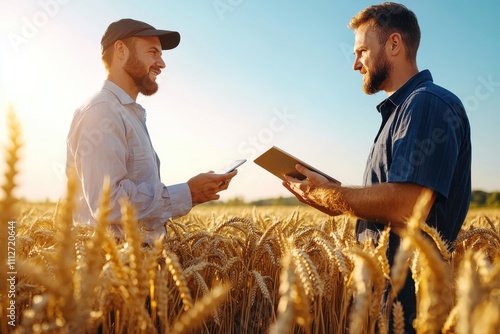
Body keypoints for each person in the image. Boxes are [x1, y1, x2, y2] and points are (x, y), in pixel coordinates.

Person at [282, 2, 471, 333]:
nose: (355, 63)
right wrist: (331, 197)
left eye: (361, 51)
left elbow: (407, 207)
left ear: (394, 44)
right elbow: (389, 203)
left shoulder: (427, 104)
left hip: (414, 306)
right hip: (388, 300)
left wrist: (333, 195)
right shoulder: (401, 112)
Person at [66, 18, 237, 243]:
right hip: (112, 270)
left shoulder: (126, 113)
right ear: (121, 50)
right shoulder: (103, 112)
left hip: (134, 266)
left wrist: (192, 195)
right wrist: (188, 193)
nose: (162, 63)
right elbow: (108, 203)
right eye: (153, 52)